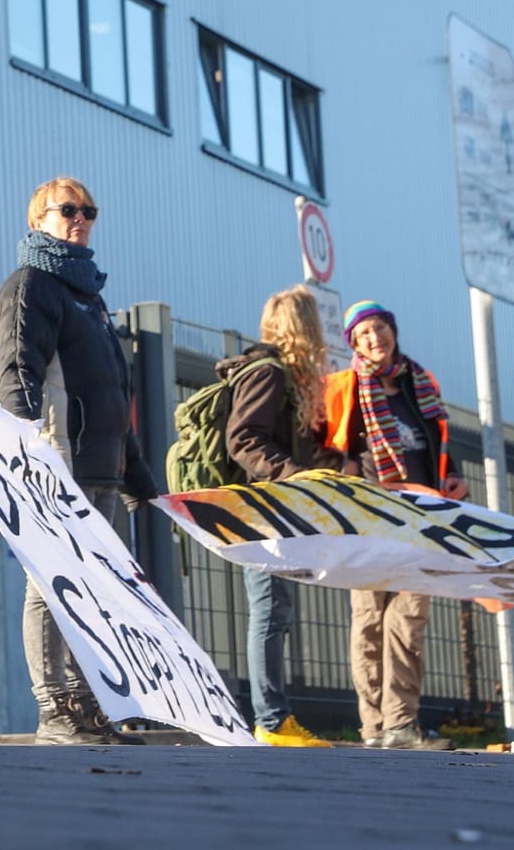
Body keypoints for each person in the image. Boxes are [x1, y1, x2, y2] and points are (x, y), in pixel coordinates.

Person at [0, 176, 158, 745]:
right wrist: (26, 451)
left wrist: (135, 471)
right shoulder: (32, 285)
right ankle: (54, 710)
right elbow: (18, 370)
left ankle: (90, 705)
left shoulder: (89, 297)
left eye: (89, 210)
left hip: (101, 467)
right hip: (60, 462)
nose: (80, 218)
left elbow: (114, 390)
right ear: (38, 218)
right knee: (51, 582)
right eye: (67, 210)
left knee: (93, 588)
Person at [323, 300, 466, 750]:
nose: (374, 339)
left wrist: (453, 475)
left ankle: (401, 725)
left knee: (408, 618)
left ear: (394, 331)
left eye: (380, 328)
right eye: (363, 333)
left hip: (419, 514)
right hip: (367, 514)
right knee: (368, 619)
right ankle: (372, 727)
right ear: (353, 342)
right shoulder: (344, 387)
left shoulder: (417, 383)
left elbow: (435, 437)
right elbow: (325, 442)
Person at [222, 286, 344, 746]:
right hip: (263, 509)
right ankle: (271, 722)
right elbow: (245, 439)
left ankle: (275, 718)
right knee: (270, 610)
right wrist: (295, 476)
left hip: (275, 506)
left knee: (277, 610)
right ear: (305, 327)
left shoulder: (283, 378)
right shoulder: (268, 373)